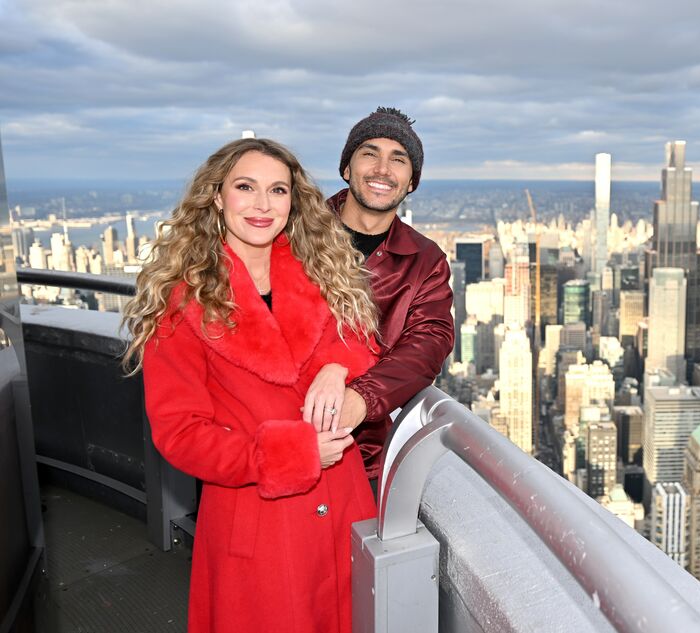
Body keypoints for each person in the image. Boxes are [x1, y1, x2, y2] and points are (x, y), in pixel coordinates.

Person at [122, 138, 377, 632]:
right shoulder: (182, 301)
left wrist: (335, 367)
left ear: (293, 201)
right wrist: (290, 454)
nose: (263, 205)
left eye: (277, 190)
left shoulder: (320, 268)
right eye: (246, 187)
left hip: (343, 502)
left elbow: (364, 337)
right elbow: (180, 433)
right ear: (217, 197)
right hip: (259, 514)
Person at [300, 107, 455, 488]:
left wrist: (361, 398)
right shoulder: (294, 232)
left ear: (411, 183)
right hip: (275, 435)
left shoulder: (425, 260)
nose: (383, 169)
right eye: (370, 153)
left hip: (362, 455)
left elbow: (427, 344)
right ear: (347, 169)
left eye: (398, 159)